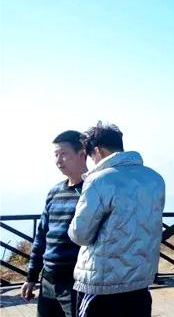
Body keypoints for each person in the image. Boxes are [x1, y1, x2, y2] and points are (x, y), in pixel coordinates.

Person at [68, 122, 165, 317]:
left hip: (102, 285)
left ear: (97, 150)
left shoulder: (99, 180)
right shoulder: (155, 178)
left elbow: (80, 235)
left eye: (91, 156)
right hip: (140, 284)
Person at [20, 130, 87, 317]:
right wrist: (31, 277)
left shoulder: (92, 191)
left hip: (76, 280)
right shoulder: (54, 191)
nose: (58, 161)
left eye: (64, 154)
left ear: (82, 154)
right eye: (56, 155)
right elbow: (41, 236)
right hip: (48, 279)